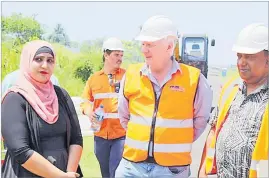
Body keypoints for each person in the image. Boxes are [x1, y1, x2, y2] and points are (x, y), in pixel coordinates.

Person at [115, 15, 213, 178]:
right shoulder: (131, 75)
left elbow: (200, 122)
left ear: (169, 46)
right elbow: (124, 116)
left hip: (172, 171)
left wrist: (172, 141)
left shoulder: (194, 80)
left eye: (150, 44)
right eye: (143, 44)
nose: (144, 49)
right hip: (131, 168)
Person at [1, 40, 83, 178]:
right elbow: (19, 150)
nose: (45, 65)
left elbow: (76, 139)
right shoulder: (14, 98)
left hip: (65, 170)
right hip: (27, 173)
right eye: (38, 59)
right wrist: (59, 176)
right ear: (27, 62)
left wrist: (69, 173)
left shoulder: (61, 95)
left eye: (50, 60)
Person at [198, 23, 268, 178]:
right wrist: (203, 171)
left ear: (267, 60)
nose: (242, 62)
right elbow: (214, 131)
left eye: (249, 57)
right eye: (239, 56)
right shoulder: (231, 88)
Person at [80, 37, 126, 178]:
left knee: (116, 171)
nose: (120, 59)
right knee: (105, 173)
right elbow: (85, 101)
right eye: (116, 55)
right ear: (106, 54)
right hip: (100, 135)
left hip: (121, 135)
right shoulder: (94, 79)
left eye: (121, 55)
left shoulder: (127, 76)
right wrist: (89, 112)